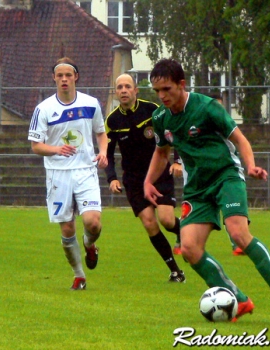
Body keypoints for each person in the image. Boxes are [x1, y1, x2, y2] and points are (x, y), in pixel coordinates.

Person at [144, 58, 270, 324]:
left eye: (167, 89)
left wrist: (251, 166)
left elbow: (239, 138)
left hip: (226, 175)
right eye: (157, 91)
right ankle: (238, 298)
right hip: (197, 188)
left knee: (238, 232)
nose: (162, 96)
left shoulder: (207, 107)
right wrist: (148, 181)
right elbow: (161, 152)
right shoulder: (160, 118)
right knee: (190, 248)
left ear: (182, 84)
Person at [28, 57, 108, 290]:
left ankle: (89, 244)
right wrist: (56, 149)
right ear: (54, 78)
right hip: (57, 173)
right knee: (67, 228)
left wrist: (102, 152)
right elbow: (35, 146)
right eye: (60, 75)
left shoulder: (91, 103)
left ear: (76, 77)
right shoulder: (43, 109)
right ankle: (79, 275)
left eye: (68, 75)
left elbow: (101, 133)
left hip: (85, 170)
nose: (64, 79)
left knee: (93, 223)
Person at [104, 74, 185, 282]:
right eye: (119, 87)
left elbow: (171, 134)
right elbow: (109, 153)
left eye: (127, 86)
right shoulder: (112, 121)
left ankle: (184, 233)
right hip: (133, 180)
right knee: (149, 223)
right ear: (115, 92)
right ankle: (175, 271)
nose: (123, 90)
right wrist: (112, 178)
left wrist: (177, 161)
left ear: (135, 90)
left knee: (167, 220)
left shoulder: (152, 110)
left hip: (158, 173)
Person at [169, 93, 245, 256]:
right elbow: (179, 141)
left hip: (221, 174)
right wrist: (177, 161)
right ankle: (180, 241)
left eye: (219, 106)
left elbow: (237, 142)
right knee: (188, 209)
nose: (216, 109)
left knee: (230, 209)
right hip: (196, 177)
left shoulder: (223, 125)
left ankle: (236, 243)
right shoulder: (194, 120)